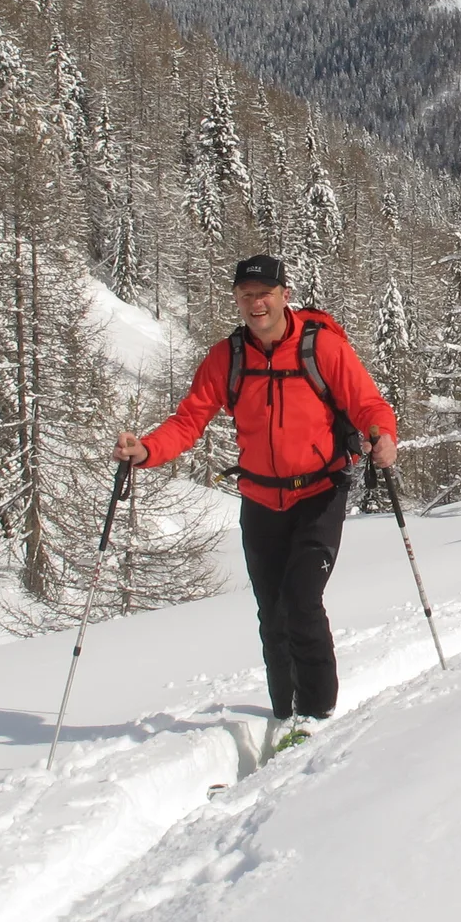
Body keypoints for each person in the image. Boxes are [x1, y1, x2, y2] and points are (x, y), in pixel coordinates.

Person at [114, 254, 397, 750]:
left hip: (319, 493)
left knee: (300, 600)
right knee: (272, 612)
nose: (256, 303)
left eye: (264, 293)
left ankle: (317, 715)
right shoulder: (228, 359)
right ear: (237, 301)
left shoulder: (320, 348)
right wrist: (147, 451)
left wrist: (383, 435)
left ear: (284, 295)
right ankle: (282, 711)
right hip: (261, 500)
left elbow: (367, 403)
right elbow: (189, 421)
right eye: (246, 295)